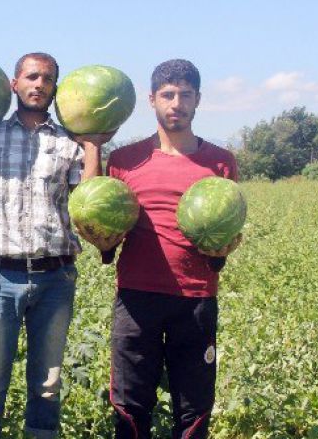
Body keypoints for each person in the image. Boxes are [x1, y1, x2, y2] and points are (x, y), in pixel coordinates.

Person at [0, 52, 115, 438]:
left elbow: (90, 208)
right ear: (14, 84)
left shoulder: (66, 143)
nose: (39, 85)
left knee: (46, 385)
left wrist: (91, 147)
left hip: (55, 277)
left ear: (56, 88)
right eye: (32, 77)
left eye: (48, 79)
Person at [93, 59, 241, 439]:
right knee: (130, 405)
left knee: (193, 409)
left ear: (198, 100)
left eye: (185, 95)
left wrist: (223, 250)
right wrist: (103, 246)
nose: (177, 103)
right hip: (136, 298)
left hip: (195, 299)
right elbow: (113, 226)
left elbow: (222, 233)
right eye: (168, 95)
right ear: (152, 100)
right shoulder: (125, 161)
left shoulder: (221, 162)